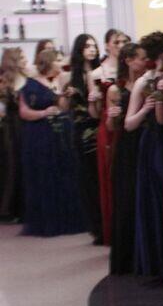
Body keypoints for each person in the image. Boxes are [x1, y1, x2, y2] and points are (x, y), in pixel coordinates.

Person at [18, 48, 85, 237]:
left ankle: (66, 218)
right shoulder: (29, 84)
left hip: (61, 133)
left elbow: (62, 108)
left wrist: (65, 96)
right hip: (39, 134)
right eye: (58, 60)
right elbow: (24, 111)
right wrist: (43, 113)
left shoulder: (60, 80)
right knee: (45, 174)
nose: (61, 63)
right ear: (48, 62)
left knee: (64, 173)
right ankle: (46, 220)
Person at [127, 31, 163, 280]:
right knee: (158, 198)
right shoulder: (142, 82)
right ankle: (158, 261)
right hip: (153, 145)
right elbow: (129, 124)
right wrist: (148, 106)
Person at [109, 43, 145, 274]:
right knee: (127, 196)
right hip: (127, 145)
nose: (144, 61)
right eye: (141, 58)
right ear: (129, 61)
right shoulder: (116, 89)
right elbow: (111, 125)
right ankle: (126, 257)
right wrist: (111, 116)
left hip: (144, 140)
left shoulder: (148, 83)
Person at [90, 29, 128, 244]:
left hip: (127, 123)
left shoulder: (131, 70)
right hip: (108, 124)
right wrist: (94, 100)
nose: (120, 45)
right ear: (106, 45)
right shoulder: (97, 73)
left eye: (124, 41)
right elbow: (95, 113)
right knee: (109, 175)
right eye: (116, 42)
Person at [67, 33, 103, 244]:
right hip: (82, 130)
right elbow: (65, 107)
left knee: (102, 177)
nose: (92, 49)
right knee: (88, 178)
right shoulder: (71, 76)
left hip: (100, 125)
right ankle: (96, 227)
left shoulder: (101, 71)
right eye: (87, 46)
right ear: (79, 49)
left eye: (94, 46)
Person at [0, 48, 26, 223]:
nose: (25, 60)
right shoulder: (4, 82)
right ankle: (8, 209)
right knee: (12, 166)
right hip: (10, 129)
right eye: (22, 57)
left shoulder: (26, 78)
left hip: (24, 126)